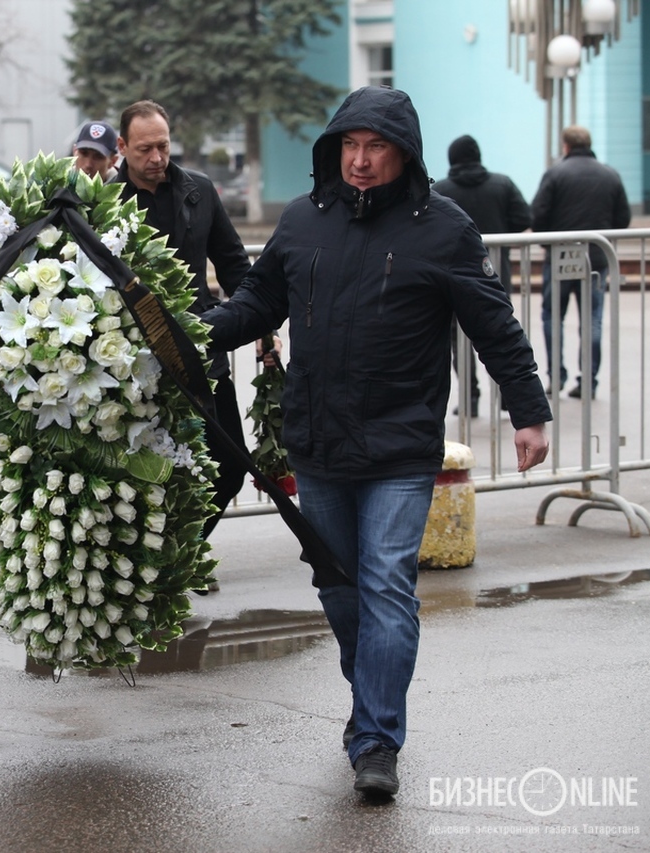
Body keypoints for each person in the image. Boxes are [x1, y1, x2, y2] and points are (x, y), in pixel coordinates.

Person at [201, 86, 552, 799]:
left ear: (405, 154)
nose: (360, 162)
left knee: (387, 582)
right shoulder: (303, 222)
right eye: (350, 147)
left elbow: (495, 326)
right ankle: (373, 693)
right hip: (318, 440)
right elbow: (255, 306)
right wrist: (187, 331)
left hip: (399, 441)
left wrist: (528, 410)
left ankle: (375, 737)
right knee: (340, 587)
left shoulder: (445, 229)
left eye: (377, 148)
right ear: (334, 151)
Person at [115, 100, 254, 541]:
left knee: (231, 466)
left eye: (163, 146)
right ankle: (154, 563)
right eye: (143, 150)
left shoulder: (200, 190)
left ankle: (181, 552)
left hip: (202, 352)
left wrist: (259, 326)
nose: (156, 158)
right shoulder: (100, 202)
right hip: (132, 363)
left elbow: (235, 265)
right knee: (145, 475)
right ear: (122, 146)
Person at [432, 134, 533, 417]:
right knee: (500, 332)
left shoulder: (441, 190)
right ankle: (505, 397)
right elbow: (523, 219)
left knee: (456, 337)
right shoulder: (502, 184)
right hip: (495, 270)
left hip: (450, 275)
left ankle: (470, 397)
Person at [531, 125, 631, 400]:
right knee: (593, 319)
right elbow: (623, 217)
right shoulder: (609, 174)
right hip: (597, 257)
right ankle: (588, 380)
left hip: (560, 255)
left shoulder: (555, 174)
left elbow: (538, 214)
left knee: (553, 316)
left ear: (566, 146)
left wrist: (547, 242)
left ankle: (556, 376)